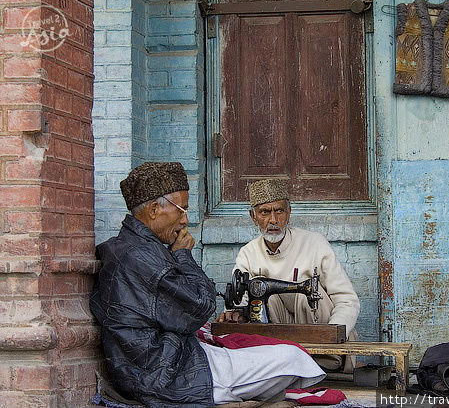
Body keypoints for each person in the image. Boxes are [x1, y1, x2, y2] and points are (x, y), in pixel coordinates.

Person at [90, 162, 325, 407]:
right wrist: (183, 256)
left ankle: (239, 392)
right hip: (168, 374)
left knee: (279, 354)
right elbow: (200, 307)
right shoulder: (143, 258)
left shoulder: (125, 248)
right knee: (294, 358)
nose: (185, 220)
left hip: (158, 363)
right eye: (181, 210)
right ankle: (231, 394)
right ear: (153, 210)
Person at [217, 178, 360, 373]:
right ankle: (285, 359)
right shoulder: (248, 254)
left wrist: (331, 335)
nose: (273, 220)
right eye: (264, 212)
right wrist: (235, 314)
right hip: (279, 341)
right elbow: (238, 302)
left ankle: (324, 357)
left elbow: (347, 301)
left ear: (289, 212)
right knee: (264, 300)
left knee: (306, 297)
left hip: (322, 340)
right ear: (253, 216)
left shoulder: (314, 244)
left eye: (279, 211)